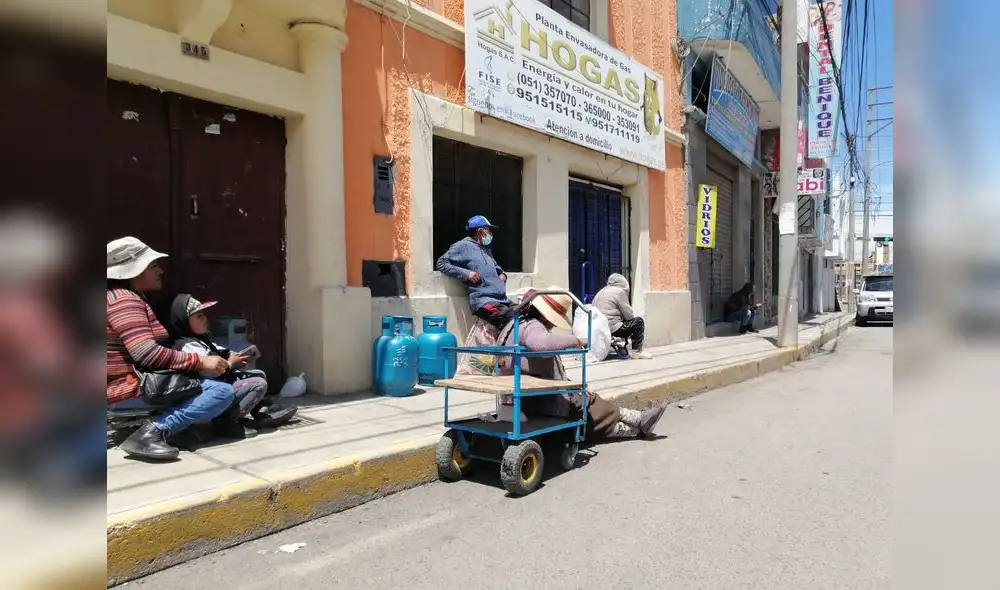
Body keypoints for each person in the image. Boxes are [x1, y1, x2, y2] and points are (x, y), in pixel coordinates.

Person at [106, 237, 234, 461]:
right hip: (125, 388)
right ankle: (151, 432)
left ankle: (177, 429)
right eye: (153, 266)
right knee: (220, 392)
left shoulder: (120, 297)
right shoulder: (125, 301)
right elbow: (146, 353)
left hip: (129, 384)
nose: (160, 271)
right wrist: (200, 361)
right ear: (133, 271)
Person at [496, 287, 665, 440]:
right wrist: (575, 341)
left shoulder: (515, 325)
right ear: (545, 315)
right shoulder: (532, 327)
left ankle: (639, 423)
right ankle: (638, 420)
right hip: (534, 399)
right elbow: (541, 343)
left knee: (586, 405)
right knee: (587, 403)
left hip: (524, 395)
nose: (553, 325)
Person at [167, 293, 297, 436]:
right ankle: (228, 421)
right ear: (184, 321)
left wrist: (236, 356)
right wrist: (230, 363)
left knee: (259, 374)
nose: (205, 319)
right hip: (208, 390)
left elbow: (219, 351)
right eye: (198, 316)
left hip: (219, 382)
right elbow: (208, 371)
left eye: (203, 314)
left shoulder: (201, 340)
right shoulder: (187, 345)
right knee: (257, 383)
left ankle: (259, 411)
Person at [435, 215, 514, 329]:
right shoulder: (463, 246)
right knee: (511, 319)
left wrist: (501, 273)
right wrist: (466, 274)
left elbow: (494, 265)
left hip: (503, 299)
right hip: (484, 301)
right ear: (480, 230)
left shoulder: (486, 248)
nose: (491, 233)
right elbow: (442, 263)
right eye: (489, 229)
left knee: (525, 315)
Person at [591, 273, 651, 359]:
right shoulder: (619, 292)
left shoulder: (602, 290)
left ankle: (616, 342)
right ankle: (637, 352)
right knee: (638, 322)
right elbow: (629, 316)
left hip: (597, 327)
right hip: (611, 328)